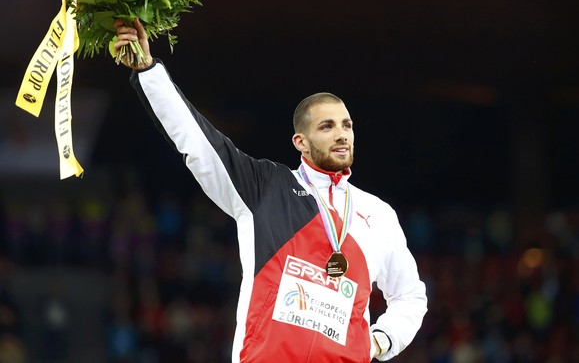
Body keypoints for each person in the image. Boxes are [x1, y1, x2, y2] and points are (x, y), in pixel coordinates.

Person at [114, 19, 428, 362]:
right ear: (301, 142)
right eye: (327, 126)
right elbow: (200, 143)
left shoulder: (378, 214)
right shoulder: (265, 188)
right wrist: (149, 71)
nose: (342, 134)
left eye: (347, 125)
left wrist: (381, 341)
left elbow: (410, 296)